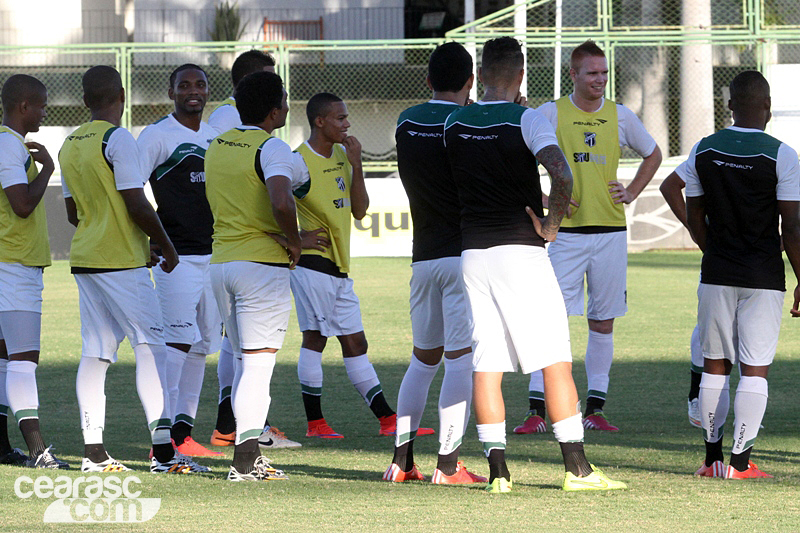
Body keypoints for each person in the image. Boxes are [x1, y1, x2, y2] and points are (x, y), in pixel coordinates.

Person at [444, 36, 627, 493]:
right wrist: (551, 225)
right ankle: (578, 471)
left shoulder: (454, 121)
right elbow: (562, 173)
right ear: (522, 75)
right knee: (554, 360)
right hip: (521, 252)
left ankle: (498, 475)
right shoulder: (527, 119)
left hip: (473, 253)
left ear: (479, 75)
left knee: (486, 363)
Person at [59, 65, 207, 474]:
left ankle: (94, 454)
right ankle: (164, 455)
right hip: (121, 261)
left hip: (86, 258)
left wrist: (142, 241)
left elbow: (73, 213)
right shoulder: (118, 138)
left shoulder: (70, 142)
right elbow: (136, 202)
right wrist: (166, 244)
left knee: (96, 353)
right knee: (152, 347)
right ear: (122, 96)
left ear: (85, 100)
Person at [514, 39, 662, 434]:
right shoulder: (551, 112)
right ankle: (536, 411)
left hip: (610, 233)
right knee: (549, 320)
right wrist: (546, 199)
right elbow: (518, 157)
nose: (599, 79)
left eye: (604, 73)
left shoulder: (620, 115)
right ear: (573, 74)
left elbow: (653, 154)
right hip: (564, 236)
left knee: (602, 322)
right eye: (592, 73)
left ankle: (595, 409)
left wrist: (632, 191)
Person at [683, 70, 800, 479]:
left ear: (730, 105)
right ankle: (740, 464)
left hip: (716, 272)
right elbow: (792, 227)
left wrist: (713, 250)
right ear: (767, 107)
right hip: (763, 276)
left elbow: (694, 214)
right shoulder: (783, 155)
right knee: (754, 369)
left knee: (714, 365)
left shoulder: (703, 149)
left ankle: (711, 461)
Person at [383, 42, 485, 484]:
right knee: (460, 360)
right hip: (462, 255)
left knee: (423, 360)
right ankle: (448, 464)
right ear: (470, 82)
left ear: (427, 80)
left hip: (422, 256)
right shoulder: (466, 122)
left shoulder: (406, 121)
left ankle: (401, 462)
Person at [205, 70, 301, 481]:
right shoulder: (272, 147)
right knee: (259, 366)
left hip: (221, 263)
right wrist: (294, 241)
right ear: (275, 110)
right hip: (260, 267)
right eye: (284, 100)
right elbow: (281, 201)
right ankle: (245, 463)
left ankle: (248, 458)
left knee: (245, 362)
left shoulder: (217, 145)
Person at [286, 92, 399, 439]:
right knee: (315, 339)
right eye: (340, 118)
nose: (347, 124)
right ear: (319, 121)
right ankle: (315, 424)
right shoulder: (298, 162)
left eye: (347, 117)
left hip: (338, 267)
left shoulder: (342, 156)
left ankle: (387, 420)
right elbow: (269, 202)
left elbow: (360, 210)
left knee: (356, 343)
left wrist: (357, 164)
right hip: (312, 266)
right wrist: (295, 238)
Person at [137, 64, 223, 457]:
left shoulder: (214, 136)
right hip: (176, 258)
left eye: (200, 84)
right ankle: (162, 439)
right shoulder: (156, 135)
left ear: (208, 91)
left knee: (201, 344)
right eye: (184, 85)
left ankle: (183, 434)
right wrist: (147, 239)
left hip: (215, 256)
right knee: (175, 343)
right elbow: (130, 189)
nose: (193, 91)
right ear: (171, 92)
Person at [0, 74, 68, 469]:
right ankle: (38, 451)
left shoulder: (8, 144)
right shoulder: (9, 145)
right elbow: (22, 205)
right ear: (23, 106)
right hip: (14, 265)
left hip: (10, 261)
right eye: (41, 105)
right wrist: (48, 169)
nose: (45, 111)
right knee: (24, 360)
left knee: (5, 359)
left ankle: (1, 446)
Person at [659, 173, 703, 428]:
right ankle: (697, 395)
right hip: (721, 255)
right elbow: (670, 185)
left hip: (760, 260)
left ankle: (748, 409)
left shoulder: (778, 156)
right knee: (707, 326)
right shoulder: (707, 153)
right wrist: (694, 227)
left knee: (749, 333)